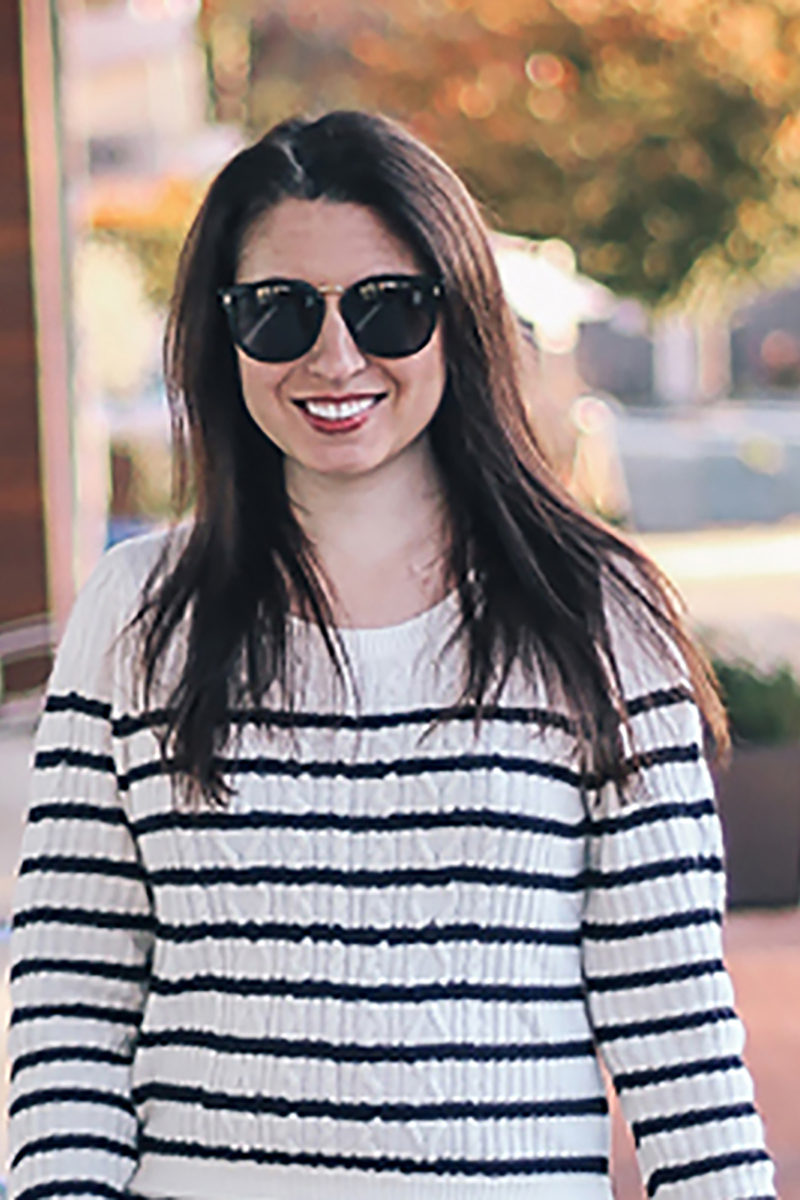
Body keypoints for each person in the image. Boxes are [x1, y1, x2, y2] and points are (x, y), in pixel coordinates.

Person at [8, 111, 776, 1200]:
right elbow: (72, 992)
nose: (333, 357)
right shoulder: (138, 616)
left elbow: (676, 1034)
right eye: (276, 313)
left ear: (455, 319)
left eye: (387, 307)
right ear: (219, 336)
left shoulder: (596, 616)